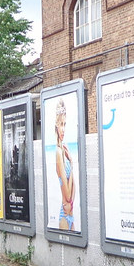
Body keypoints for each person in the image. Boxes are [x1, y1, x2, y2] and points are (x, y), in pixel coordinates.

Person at [54, 99, 75, 231]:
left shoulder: (64, 151)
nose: (63, 129)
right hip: (64, 215)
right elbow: (67, 195)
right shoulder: (58, 152)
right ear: (56, 125)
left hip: (70, 212)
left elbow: (73, 188)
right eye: (61, 124)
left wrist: (71, 202)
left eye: (65, 124)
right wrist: (71, 167)